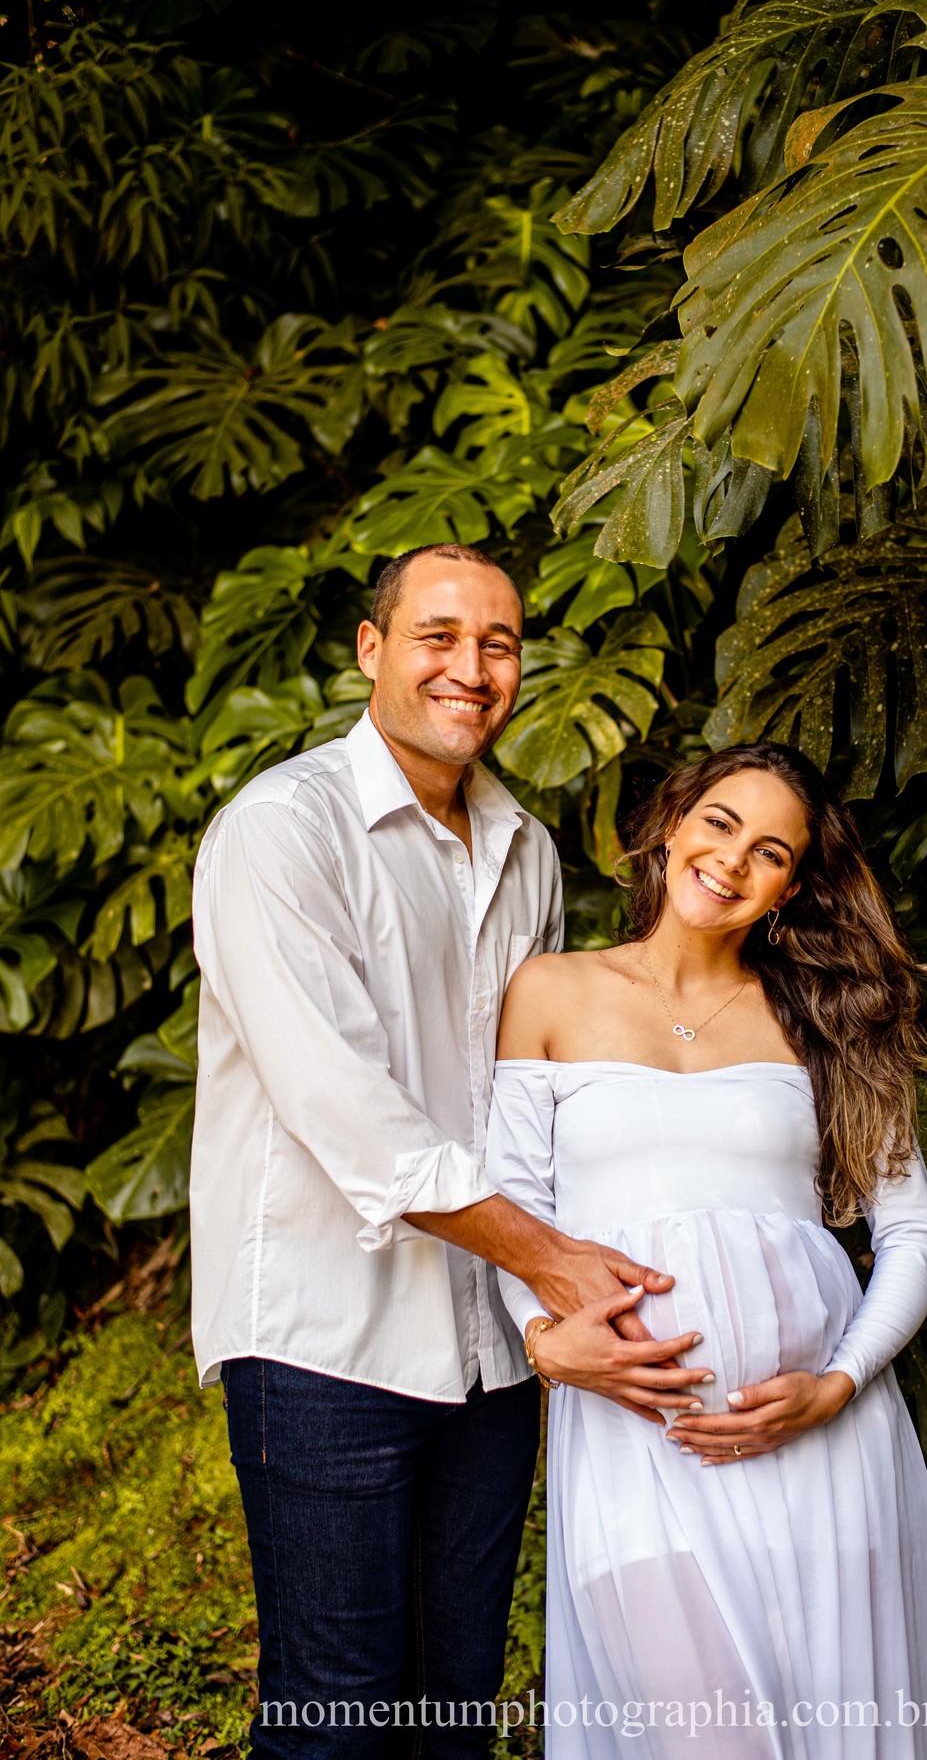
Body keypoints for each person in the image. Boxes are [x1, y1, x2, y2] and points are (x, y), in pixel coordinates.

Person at [188, 542, 713, 1757]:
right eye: (438, 636)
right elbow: (346, 1111)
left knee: (454, 1702)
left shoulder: (524, 847)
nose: (471, 668)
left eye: (499, 643)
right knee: (337, 1712)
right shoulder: (282, 831)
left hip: (491, 1350)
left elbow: (531, 1100)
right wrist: (556, 1260)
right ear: (372, 649)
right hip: (328, 1336)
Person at [485, 742, 927, 1758]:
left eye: (771, 851)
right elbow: (511, 1210)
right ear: (671, 825)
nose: (733, 860)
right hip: (638, 1441)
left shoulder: (828, 1018)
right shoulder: (551, 991)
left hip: (823, 1448)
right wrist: (543, 1337)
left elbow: (911, 1232)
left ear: (792, 887)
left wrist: (837, 1384)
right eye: (719, 822)